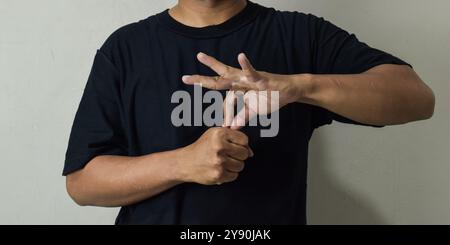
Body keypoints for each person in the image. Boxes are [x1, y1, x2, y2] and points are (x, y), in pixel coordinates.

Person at [63, 0, 435, 224]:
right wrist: (184, 163)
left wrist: (301, 87)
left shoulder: (298, 36)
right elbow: (82, 182)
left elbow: (416, 97)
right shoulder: (126, 49)